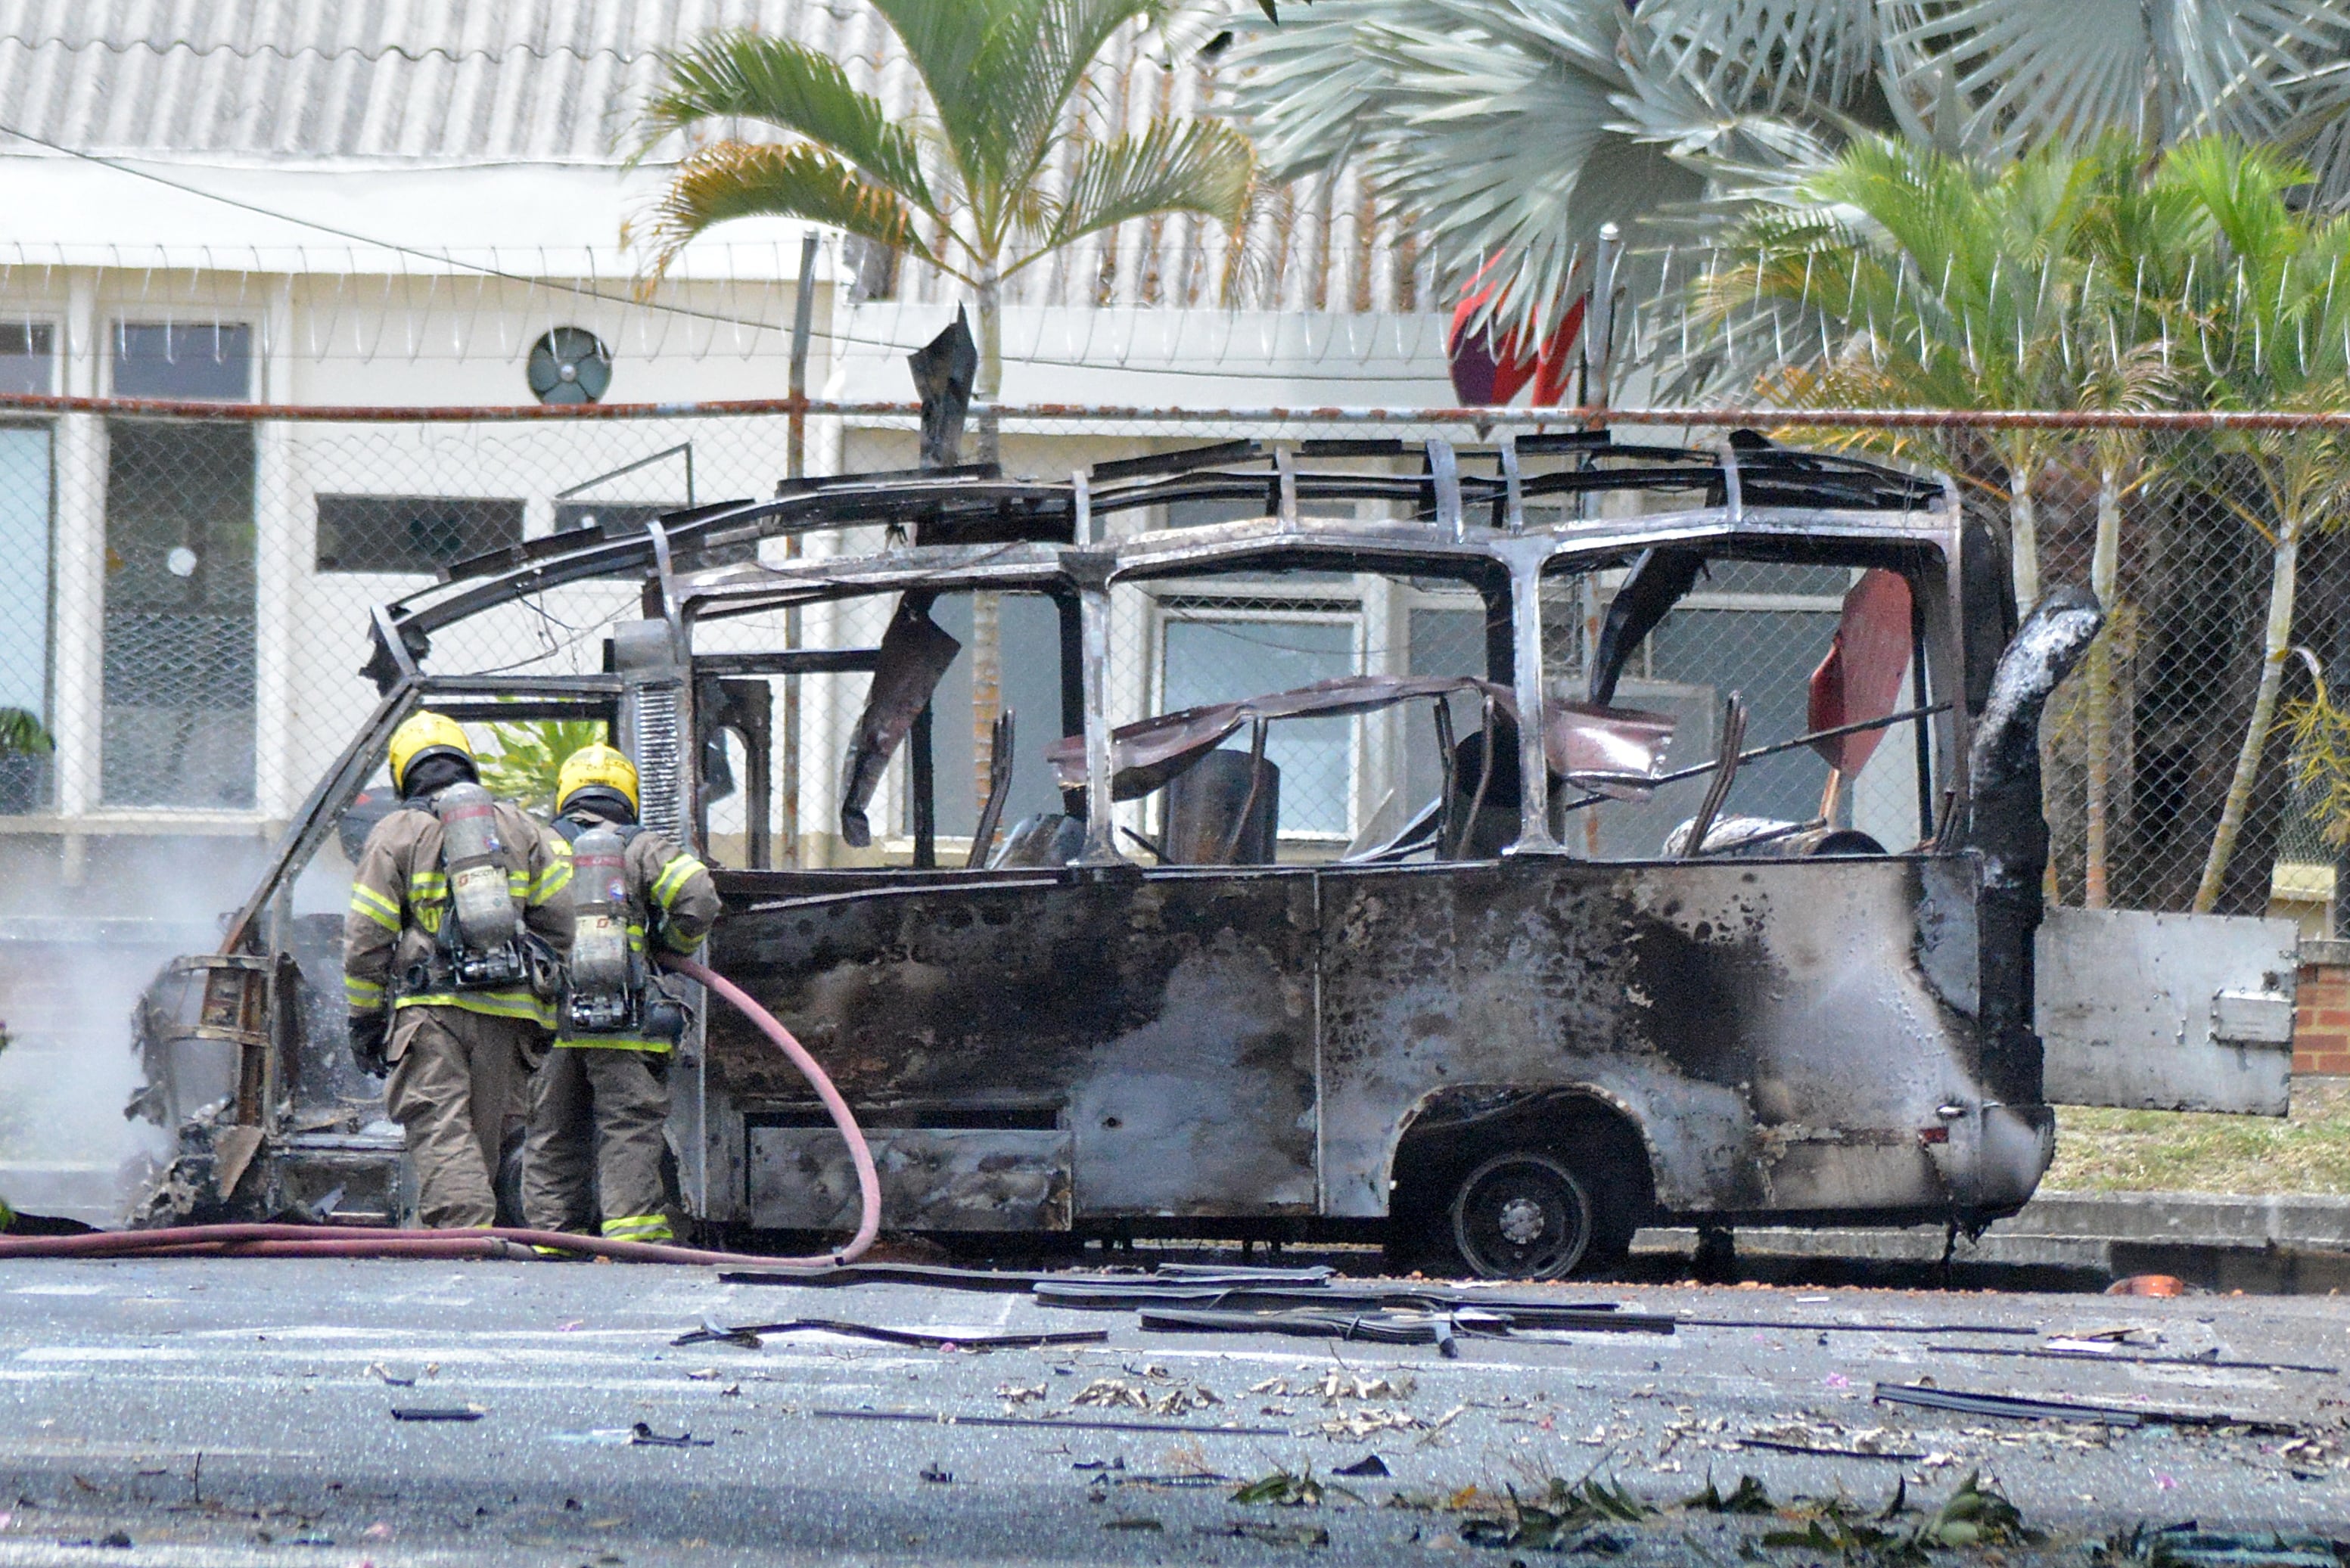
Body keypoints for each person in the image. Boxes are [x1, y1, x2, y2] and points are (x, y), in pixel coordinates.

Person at [344, 711, 573, 1228]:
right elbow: (562, 922)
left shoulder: (396, 832)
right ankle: (467, 1236)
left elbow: (367, 937)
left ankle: (464, 1239)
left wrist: (365, 1018)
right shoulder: (520, 827)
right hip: (510, 1013)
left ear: (403, 773)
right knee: (483, 1138)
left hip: (432, 1012)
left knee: (440, 1125)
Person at [522, 743, 719, 1245]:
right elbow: (699, 897)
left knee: (551, 1131)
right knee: (627, 1128)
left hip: (549, 1018)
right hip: (626, 1017)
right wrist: (670, 946)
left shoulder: (537, 844)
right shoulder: (641, 846)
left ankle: (553, 1241)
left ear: (566, 792)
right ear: (628, 795)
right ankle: (632, 1239)